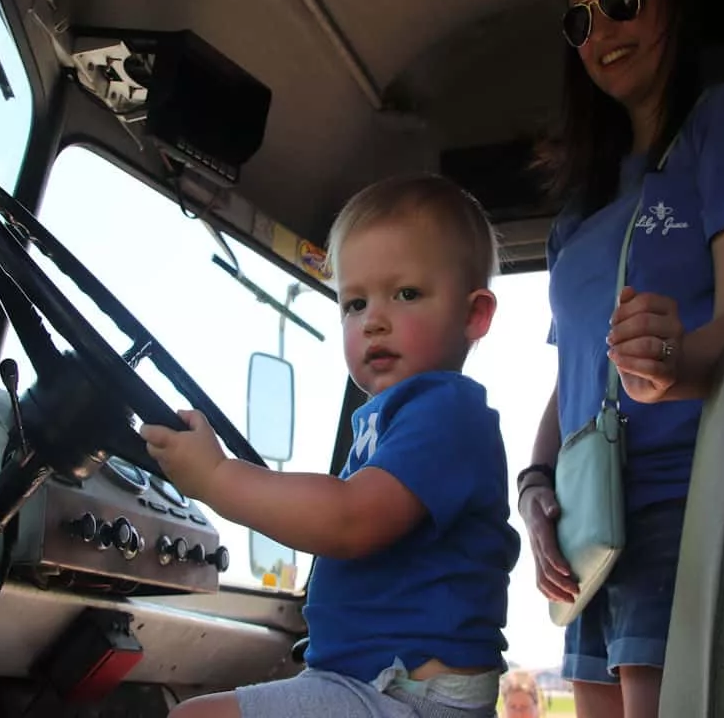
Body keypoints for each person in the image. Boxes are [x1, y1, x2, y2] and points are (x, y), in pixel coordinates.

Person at [141, 174, 521, 718]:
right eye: (355, 303)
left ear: (473, 314)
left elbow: (350, 520)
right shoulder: (389, 420)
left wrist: (216, 479)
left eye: (406, 294)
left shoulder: (446, 411)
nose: (373, 322)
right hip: (374, 681)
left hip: (410, 696)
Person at [516, 0, 724, 716]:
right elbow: (572, 383)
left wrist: (675, 361)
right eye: (580, 20)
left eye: (622, 0)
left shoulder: (718, 123)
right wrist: (535, 495)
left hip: (681, 502)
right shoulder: (574, 217)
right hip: (591, 525)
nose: (602, 30)